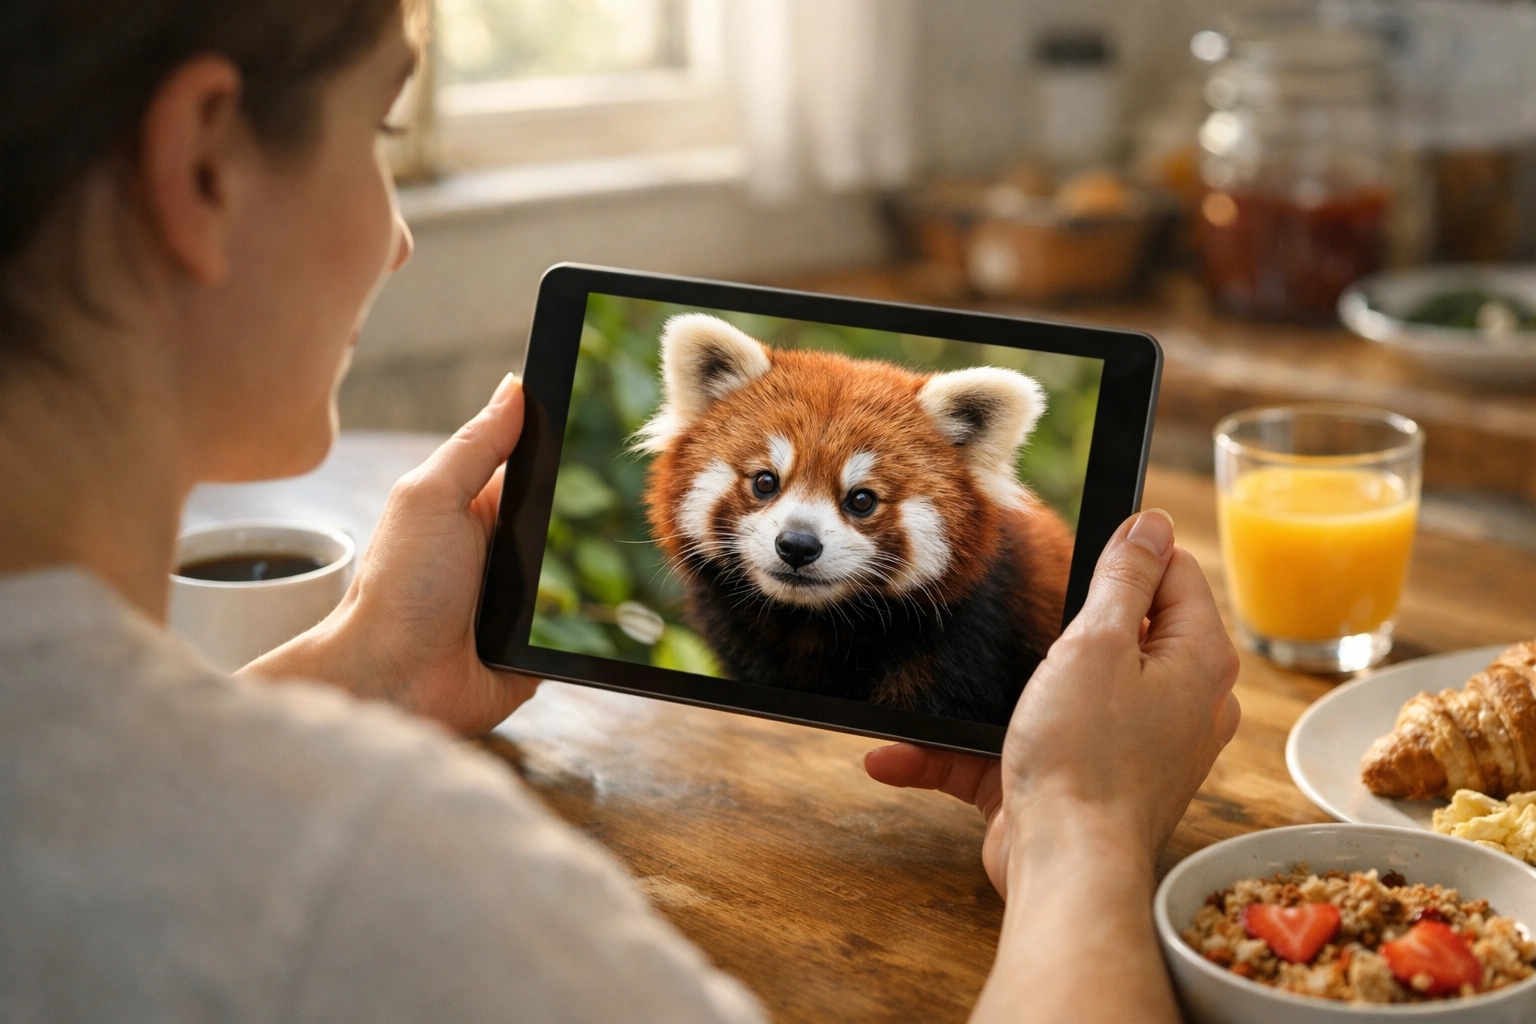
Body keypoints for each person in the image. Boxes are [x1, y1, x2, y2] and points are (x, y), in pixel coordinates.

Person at [0, 2, 1241, 1021]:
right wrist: (1083, 824)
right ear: (203, 165)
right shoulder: (384, 871)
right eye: (379, 130)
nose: (397, 238)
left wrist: (372, 667)